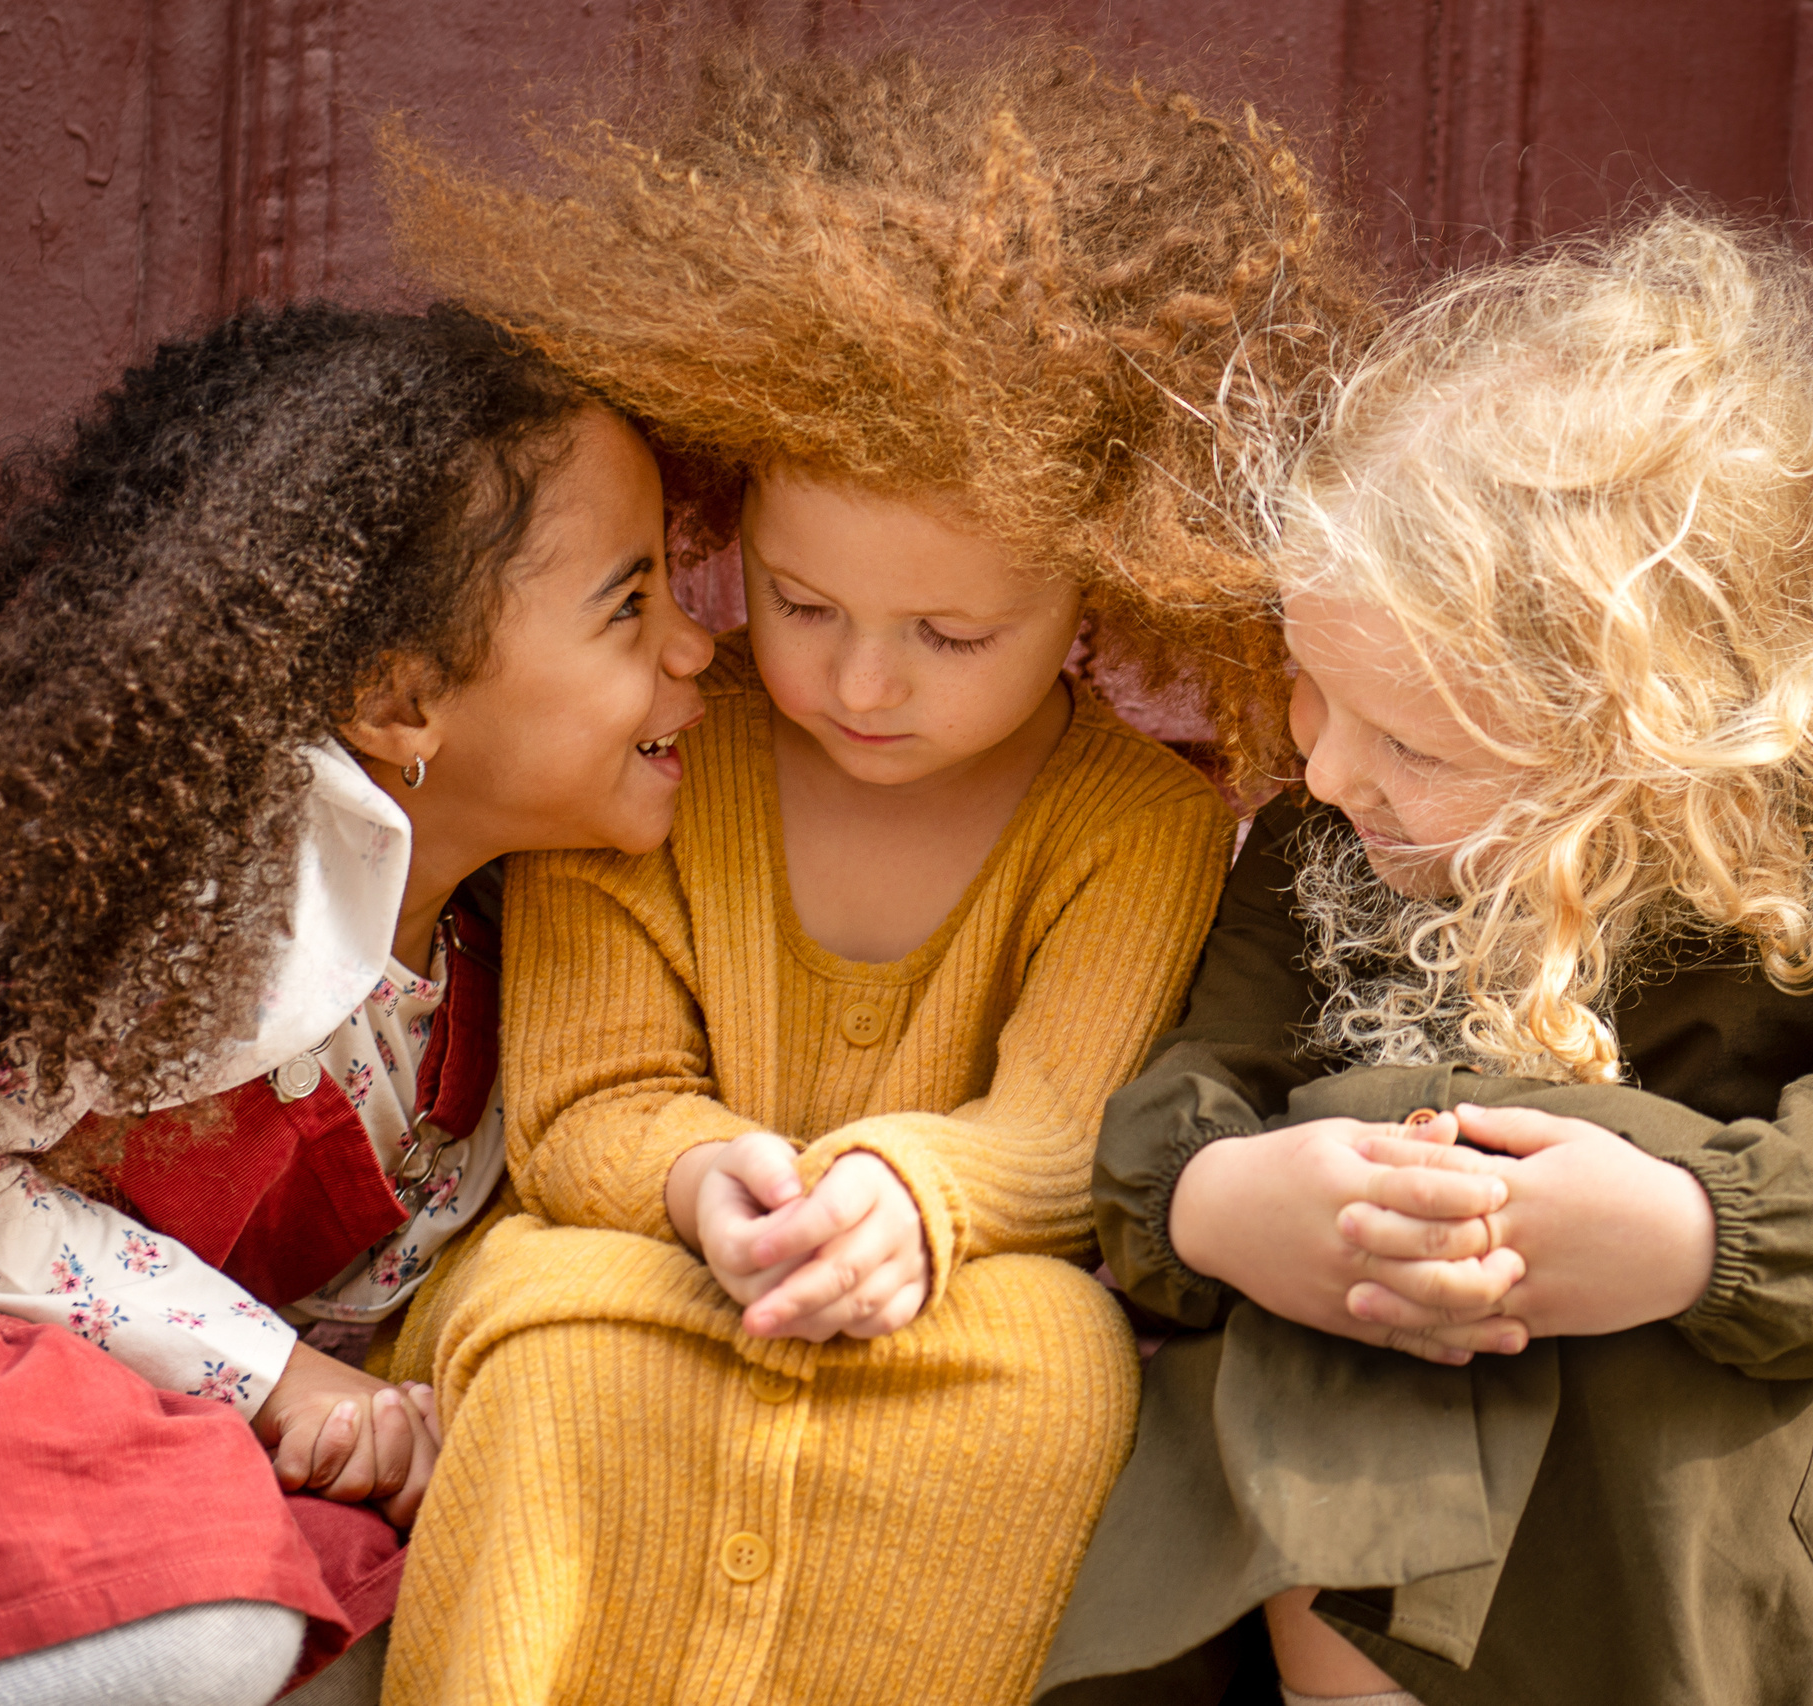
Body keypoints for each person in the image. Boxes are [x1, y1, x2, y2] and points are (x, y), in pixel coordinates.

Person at [1037, 213, 1813, 1706]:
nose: (1330, 768)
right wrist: (1225, 1201)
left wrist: (1679, 1233)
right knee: (1377, 1165)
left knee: (1491, 1144)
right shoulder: (1331, 844)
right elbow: (1187, 1087)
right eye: (1309, 688)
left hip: (1692, 1534)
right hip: (1370, 1509)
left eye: (1413, 740)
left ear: (1646, 745)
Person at [367, 35, 1369, 1706]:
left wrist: (916, 1193)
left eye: (951, 632)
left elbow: (1068, 1127)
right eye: (802, 601)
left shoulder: (1138, 821)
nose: (861, 682)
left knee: (1054, 1364)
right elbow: (585, 1100)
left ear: (1107, 589)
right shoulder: (665, 751)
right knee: (546, 1315)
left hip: (955, 1291)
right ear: (732, 521)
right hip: (649, 1254)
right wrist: (704, 1184)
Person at [0, 301, 717, 1706]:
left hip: (176, 1424)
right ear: (403, 700)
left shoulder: (525, 936)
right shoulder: (161, 878)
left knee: (421, 1600)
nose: (698, 648)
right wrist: (273, 1373)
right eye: (632, 604)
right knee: (202, 1595)